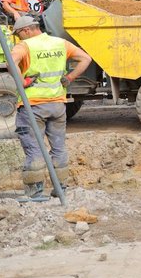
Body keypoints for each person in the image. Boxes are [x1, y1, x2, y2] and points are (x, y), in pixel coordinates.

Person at [9, 15, 92, 198]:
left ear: (26, 30)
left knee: (34, 148)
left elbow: (11, 62)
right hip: (57, 105)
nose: (19, 37)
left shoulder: (25, 46)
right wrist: (69, 78)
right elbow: (86, 58)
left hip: (33, 107)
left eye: (19, 34)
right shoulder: (60, 43)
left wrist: (22, 81)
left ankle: (36, 192)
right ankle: (60, 188)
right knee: (59, 147)